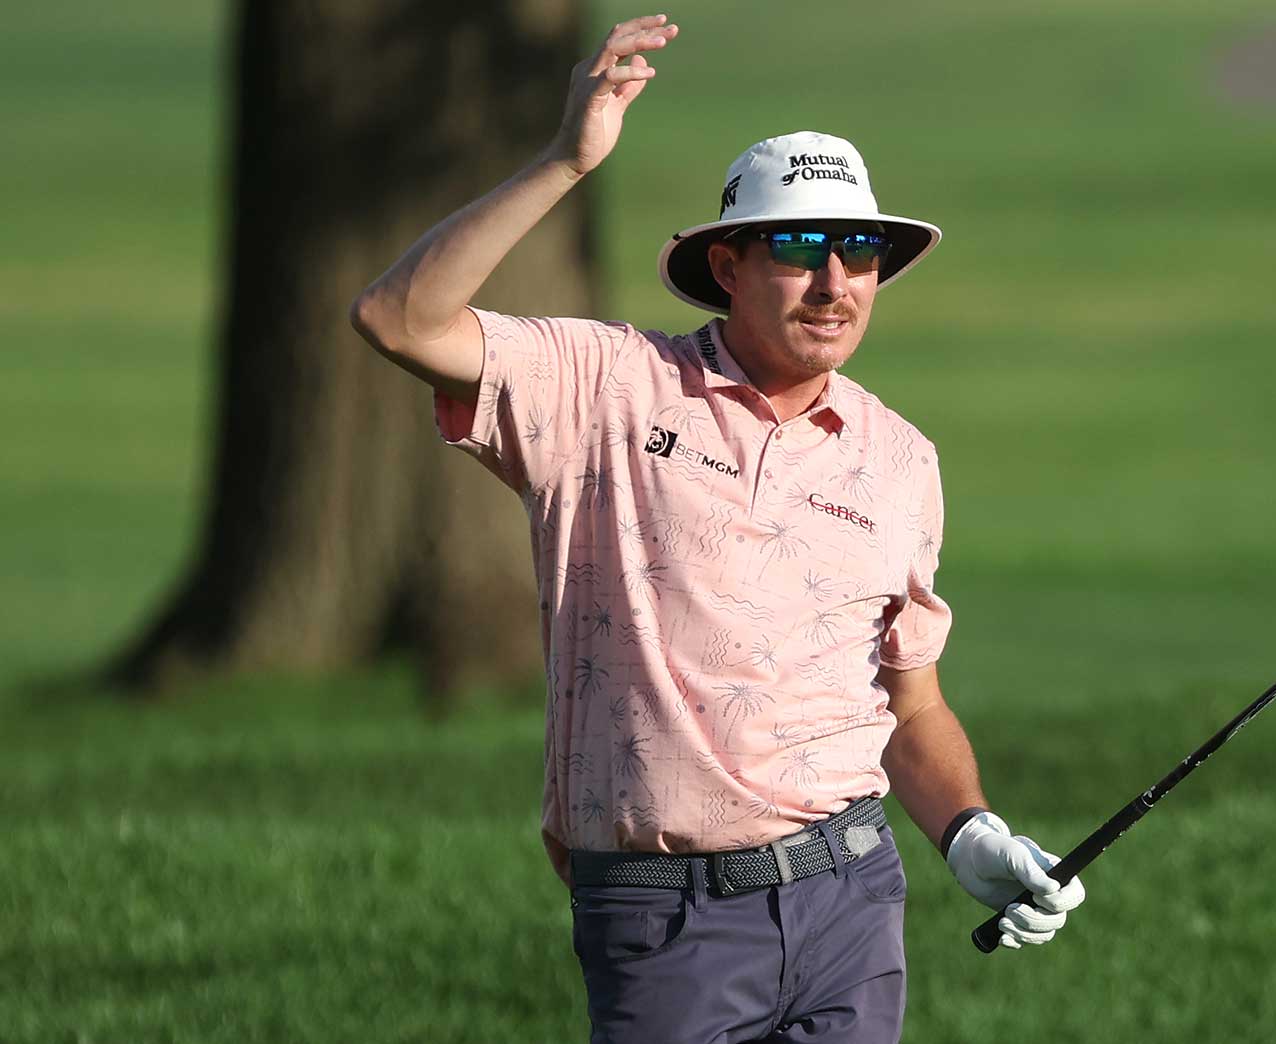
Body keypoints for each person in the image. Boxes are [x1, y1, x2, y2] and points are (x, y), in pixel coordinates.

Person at [349, 13, 1085, 1044]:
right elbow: (399, 319)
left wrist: (971, 831)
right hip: (666, 916)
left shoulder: (899, 459)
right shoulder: (607, 387)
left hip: (852, 899)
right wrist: (565, 162)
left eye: (859, 252)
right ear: (728, 265)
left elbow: (909, 704)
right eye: (799, 248)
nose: (834, 283)